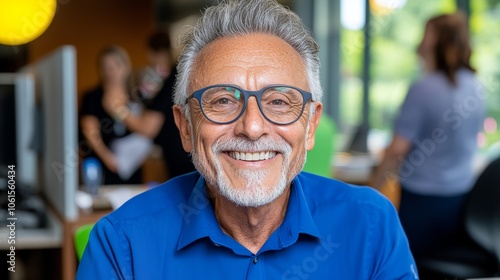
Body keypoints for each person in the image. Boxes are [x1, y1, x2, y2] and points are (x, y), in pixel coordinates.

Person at [76, 0, 417, 278]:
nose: (252, 128)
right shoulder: (122, 245)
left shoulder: (372, 227)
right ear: (185, 128)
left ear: (311, 125)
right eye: (223, 101)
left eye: (279, 102)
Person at [371, 12, 485, 260]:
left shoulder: (423, 89)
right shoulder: (475, 87)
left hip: (422, 204)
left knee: (404, 265)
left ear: (436, 41)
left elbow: (398, 150)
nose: (421, 41)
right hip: (461, 202)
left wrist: (373, 187)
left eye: (426, 34)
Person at [106, 31, 196, 179]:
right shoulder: (169, 80)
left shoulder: (172, 83)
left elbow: (147, 128)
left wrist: (117, 110)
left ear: (158, 53)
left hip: (182, 160)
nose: (149, 61)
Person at [80, 45, 143, 185]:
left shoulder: (136, 97)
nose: (111, 71)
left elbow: (144, 129)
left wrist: (118, 111)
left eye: (116, 65)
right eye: (105, 66)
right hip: (102, 166)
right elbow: (90, 131)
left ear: (126, 67)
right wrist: (110, 160)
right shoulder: (92, 97)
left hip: (131, 168)